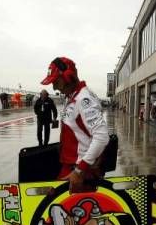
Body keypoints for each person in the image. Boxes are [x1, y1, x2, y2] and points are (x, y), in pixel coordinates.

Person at [40, 57, 109, 193]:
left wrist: (80, 170)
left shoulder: (83, 99)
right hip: (70, 167)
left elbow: (101, 137)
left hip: (80, 172)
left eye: (56, 82)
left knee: (71, 212)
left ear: (68, 77)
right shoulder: (72, 96)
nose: (54, 87)